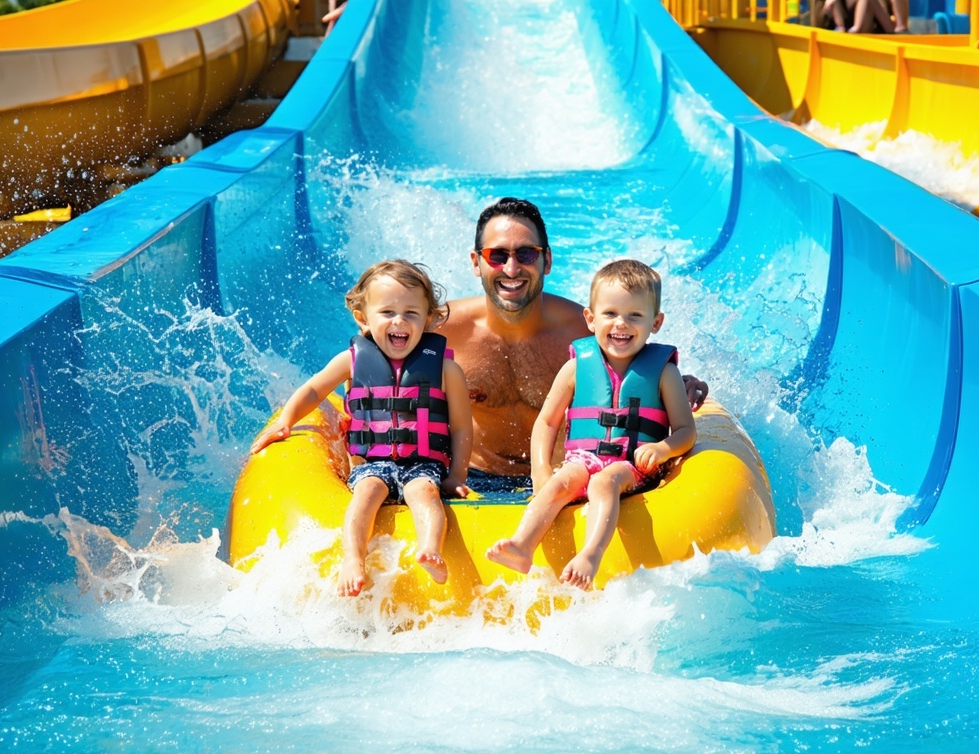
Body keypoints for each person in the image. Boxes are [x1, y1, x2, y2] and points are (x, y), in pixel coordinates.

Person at [438, 197, 707, 491]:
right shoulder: (443, 329)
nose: (512, 269)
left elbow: (634, 372)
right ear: (477, 263)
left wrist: (678, 383)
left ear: (548, 261)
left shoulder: (585, 332)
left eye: (526, 254)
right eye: (497, 255)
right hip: (471, 480)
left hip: (569, 477)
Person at [249, 260, 473, 597]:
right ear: (363, 317)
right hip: (372, 464)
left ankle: (430, 550)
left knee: (425, 494)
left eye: (411, 313)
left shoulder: (446, 369)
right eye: (387, 312)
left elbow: (460, 427)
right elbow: (314, 389)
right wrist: (286, 421)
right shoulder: (352, 360)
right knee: (366, 494)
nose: (399, 321)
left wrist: (456, 476)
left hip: (423, 465)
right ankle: (353, 559)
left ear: (428, 319)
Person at [486, 260, 697, 590]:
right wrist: (540, 469)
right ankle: (522, 546)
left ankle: (590, 555)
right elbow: (547, 422)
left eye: (635, 316)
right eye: (610, 313)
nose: (621, 324)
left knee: (604, 483)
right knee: (559, 483)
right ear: (590, 318)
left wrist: (662, 448)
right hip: (584, 458)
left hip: (634, 464)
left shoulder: (664, 372)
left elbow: (686, 431)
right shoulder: (575, 367)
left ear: (656, 323)